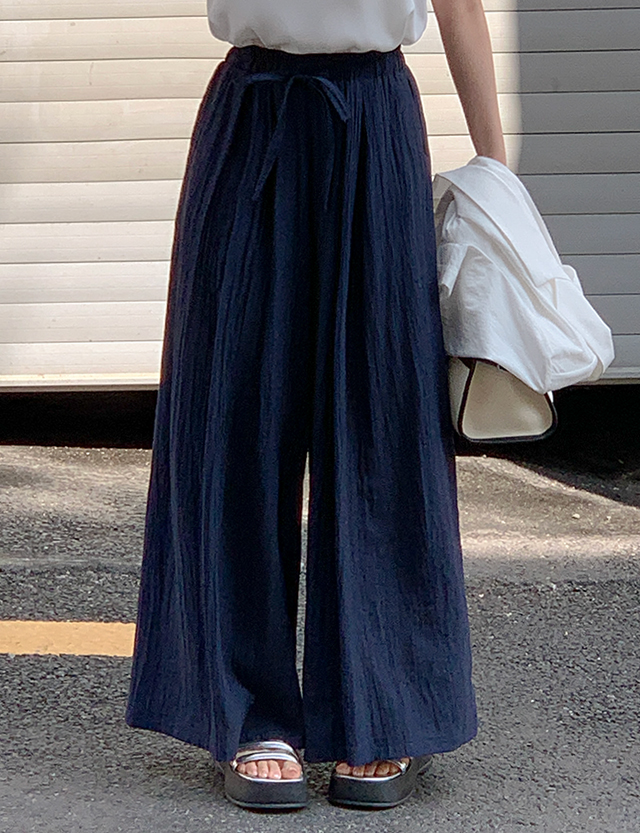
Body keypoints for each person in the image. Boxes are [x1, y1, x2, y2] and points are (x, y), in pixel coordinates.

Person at [125, 0, 507, 812]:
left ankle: (385, 705)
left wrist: (497, 172)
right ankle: (248, 710)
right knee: (234, 413)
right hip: (252, 108)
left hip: (373, 112)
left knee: (383, 412)